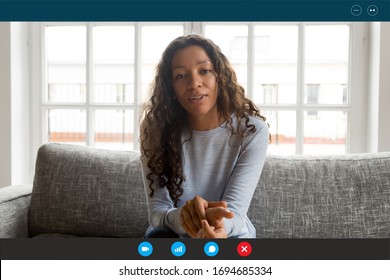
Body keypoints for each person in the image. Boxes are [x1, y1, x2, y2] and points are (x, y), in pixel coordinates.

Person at [140, 34, 269, 238]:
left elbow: (235, 211)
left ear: (220, 77)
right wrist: (184, 218)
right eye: (181, 75)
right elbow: (157, 213)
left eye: (204, 71)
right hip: (173, 230)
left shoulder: (252, 131)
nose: (194, 83)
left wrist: (218, 229)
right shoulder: (155, 128)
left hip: (230, 231)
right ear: (171, 88)